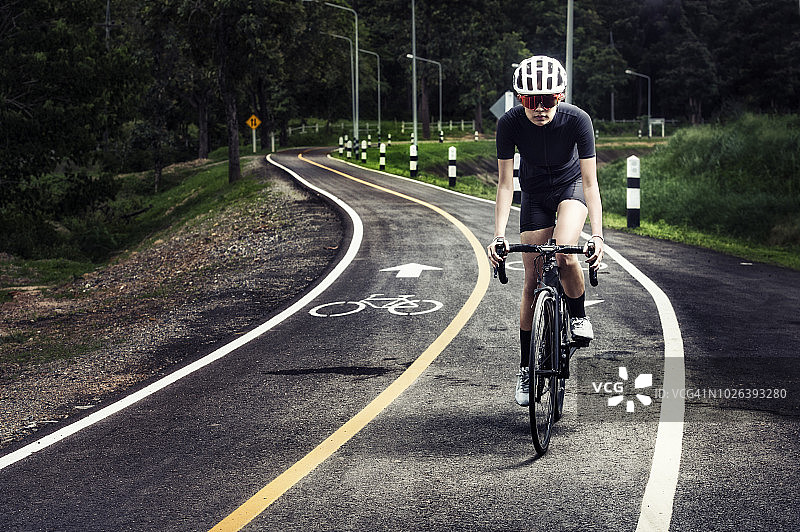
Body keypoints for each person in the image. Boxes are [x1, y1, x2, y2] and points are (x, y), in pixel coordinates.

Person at [487, 55, 604, 407]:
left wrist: (597, 236)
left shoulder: (578, 120)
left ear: (561, 95)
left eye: (548, 99)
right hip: (534, 194)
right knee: (531, 279)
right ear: (519, 99)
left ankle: (578, 316)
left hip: (570, 187)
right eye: (530, 100)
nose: (539, 108)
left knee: (567, 251)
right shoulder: (508, 124)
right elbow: (505, 185)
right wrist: (497, 235)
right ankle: (526, 368)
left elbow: (590, 181)